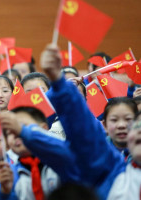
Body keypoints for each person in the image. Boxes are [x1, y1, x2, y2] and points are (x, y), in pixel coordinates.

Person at [39, 43, 141, 199]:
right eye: (115, 119)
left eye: (129, 120)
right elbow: (81, 129)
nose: (121, 125)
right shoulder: (110, 163)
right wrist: (58, 84)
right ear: (105, 125)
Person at [0, 106, 62, 200]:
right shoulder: (8, 174)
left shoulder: (61, 160)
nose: (17, 133)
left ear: (43, 129)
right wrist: (4, 193)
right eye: (10, 131)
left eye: (22, 127)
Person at [103, 97, 138, 162]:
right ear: (105, 125)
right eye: (114, 120)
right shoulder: (96, 154)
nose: (121, 125)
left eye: (128, 119)